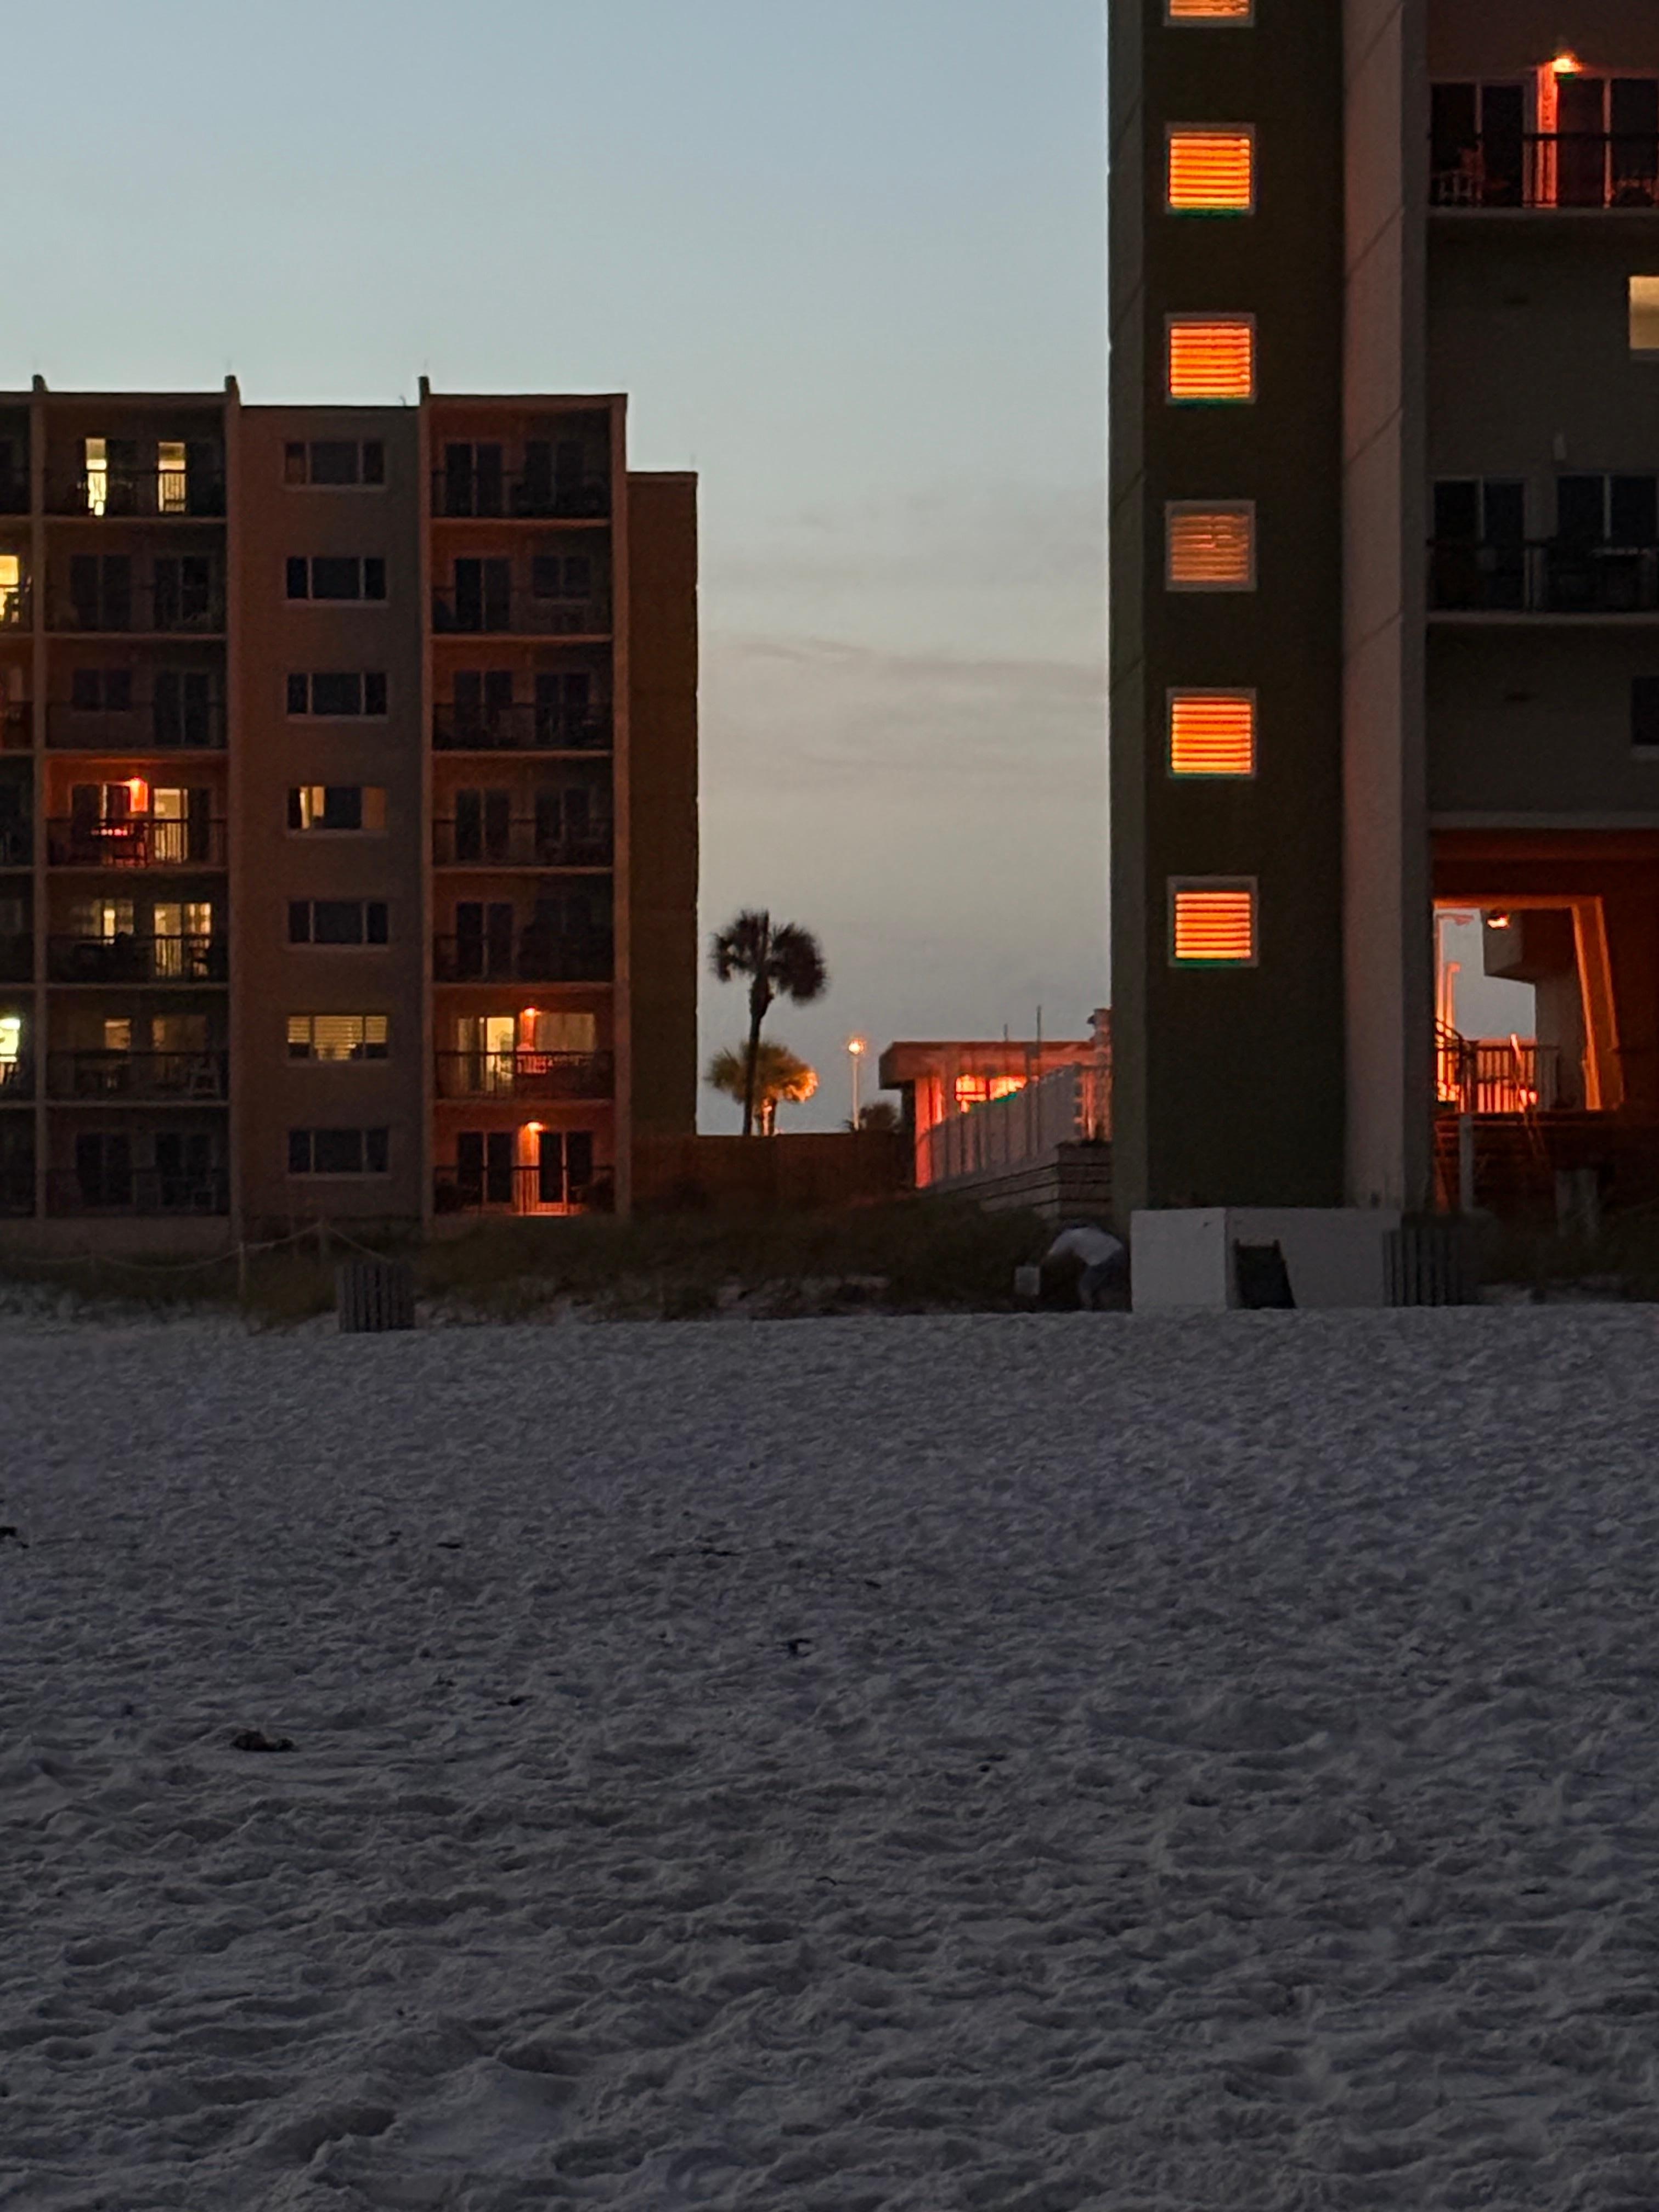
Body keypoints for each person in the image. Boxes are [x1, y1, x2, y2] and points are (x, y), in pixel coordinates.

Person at [1040, 1221, 1130, 1311]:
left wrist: (1039, 1265)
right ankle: (1114, 1308)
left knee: (1085, 1285)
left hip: (1102, 1259)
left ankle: (1088, 1309)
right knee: (1107, 1285)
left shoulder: (1067, 1236)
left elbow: (1052, 1256)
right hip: (1119, 1252)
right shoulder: (1088, 1230)